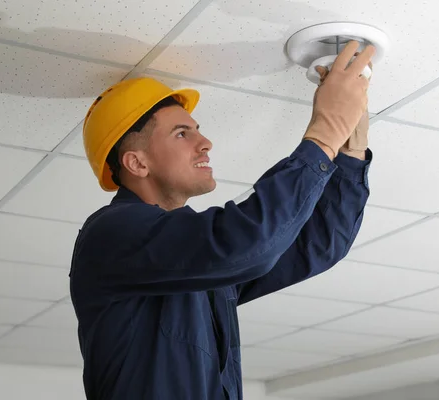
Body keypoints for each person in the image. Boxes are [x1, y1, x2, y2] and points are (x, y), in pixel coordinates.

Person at [69, 41, 375, 400]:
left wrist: (350, 148)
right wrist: (325, 132)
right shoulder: (111, 235)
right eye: (182, 133)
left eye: (196, 130)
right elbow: (247, 243)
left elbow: (318, 244)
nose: (206, 142)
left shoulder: (194, 267)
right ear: (137, 163)